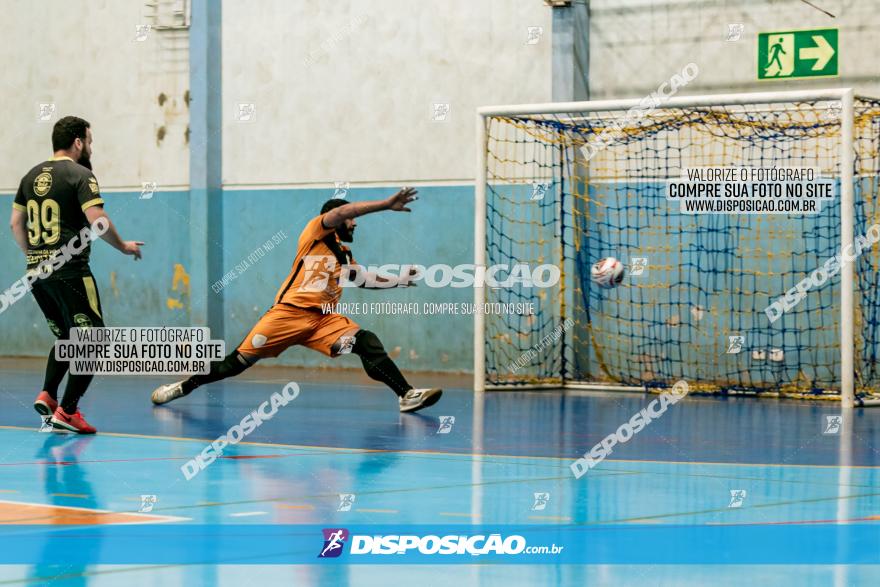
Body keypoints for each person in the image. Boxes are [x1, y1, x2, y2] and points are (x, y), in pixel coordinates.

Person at [151, 189, 442, 413]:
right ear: (337, 217)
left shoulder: (343, 254)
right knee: (235, 364)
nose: (354, 224)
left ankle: (406, 394)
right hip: (288, 314)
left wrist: (400, 280)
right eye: (350, 219)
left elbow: (364, 279)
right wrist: (384, 205)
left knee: (365, 342)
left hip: (323, 320)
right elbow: (344, 213)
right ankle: (184, 386)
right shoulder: (315, 231)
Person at [8, 116, 144, 434]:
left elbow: (15, 223)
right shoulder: (80, 175)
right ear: (78, 142)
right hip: (71, 271)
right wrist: (123, 245)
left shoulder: (29, 177)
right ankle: (67, 412)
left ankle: (48, 395)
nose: (91, 146)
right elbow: (97, 220)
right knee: (93, 339)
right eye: (90, 140)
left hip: (37, 273)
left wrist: (34, 258)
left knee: (67, 337)